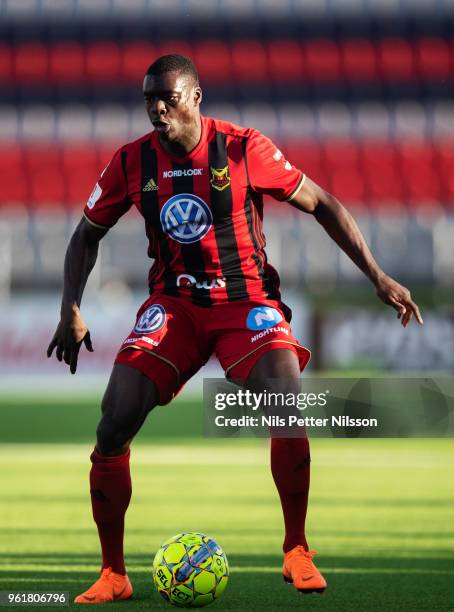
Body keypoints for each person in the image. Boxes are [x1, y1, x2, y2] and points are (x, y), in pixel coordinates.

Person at [47, 54, 423, 604]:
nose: (157, 110)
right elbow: (86, 235)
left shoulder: (245, 148)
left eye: (168, 99)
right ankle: (114, 574)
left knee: (287, 401)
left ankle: (296, 551)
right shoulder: (131, 162)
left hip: (244, 303)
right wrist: (70, 309)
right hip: (174, 306)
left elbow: (322, 203)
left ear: (195, 97)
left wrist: (377, 275)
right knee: (113, 421)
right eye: (149, 99)